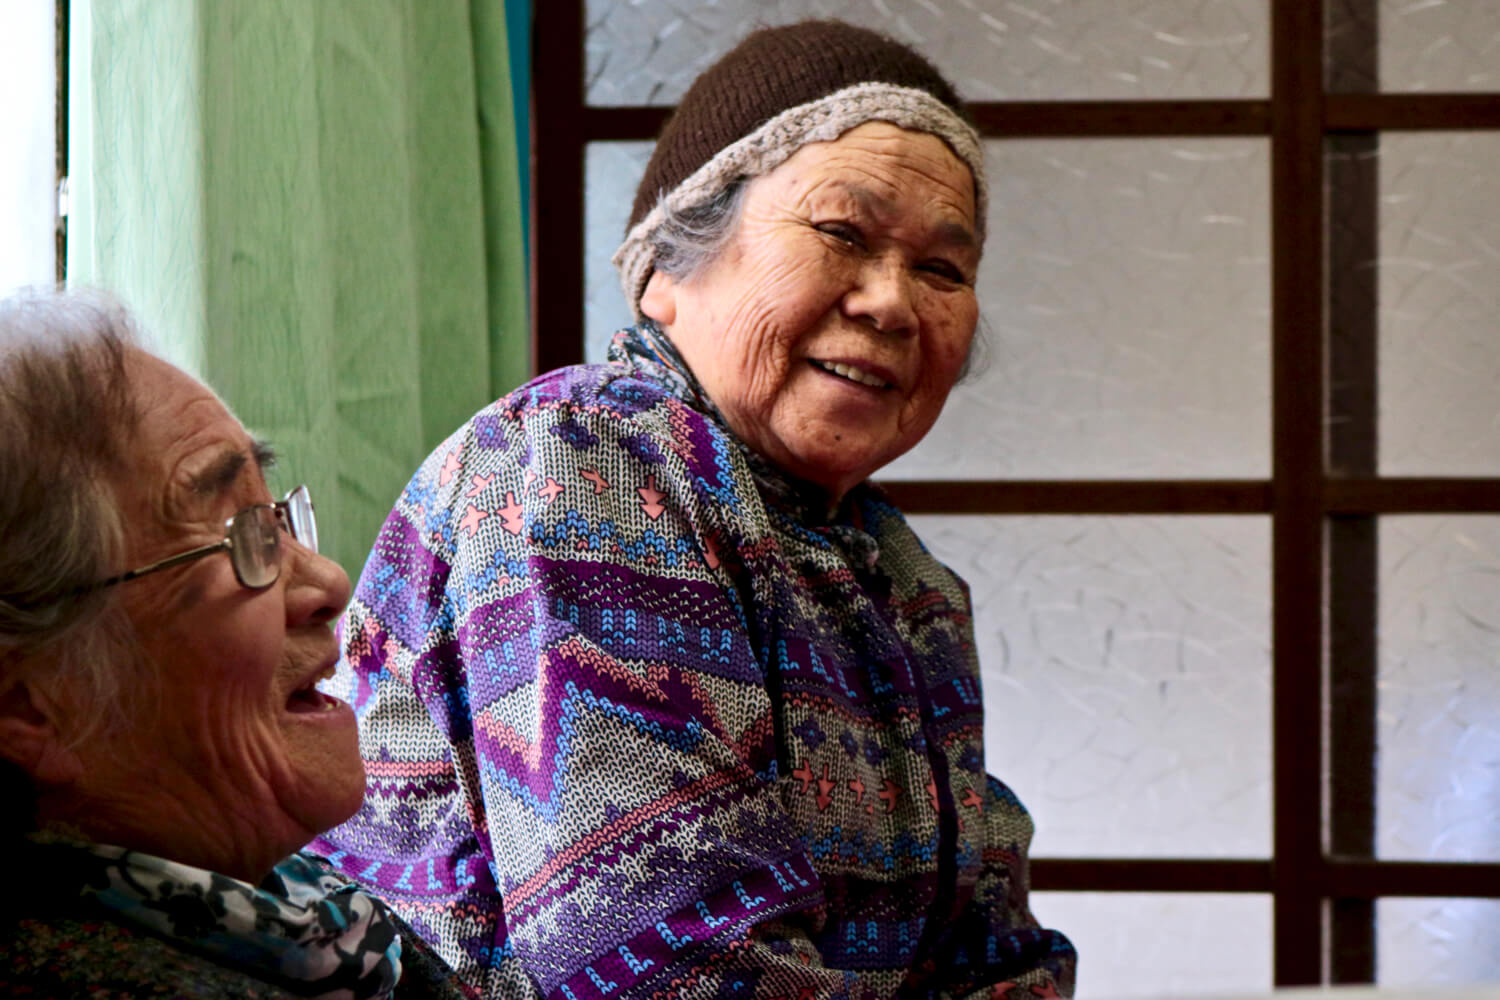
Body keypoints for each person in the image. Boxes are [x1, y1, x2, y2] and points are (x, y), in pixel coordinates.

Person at [314, 20, 1076, 1000]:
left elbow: (1001, 954)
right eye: (842, 232)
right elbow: (664, 968)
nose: (892, 302)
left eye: (943, 270)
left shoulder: (906, 578)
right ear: (668, 269)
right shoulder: (581, 466)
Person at [0, 290, 474, 999]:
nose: (329, 582)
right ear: (32, 704)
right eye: (243, 540)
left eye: (278, 519)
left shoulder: (307, 922)